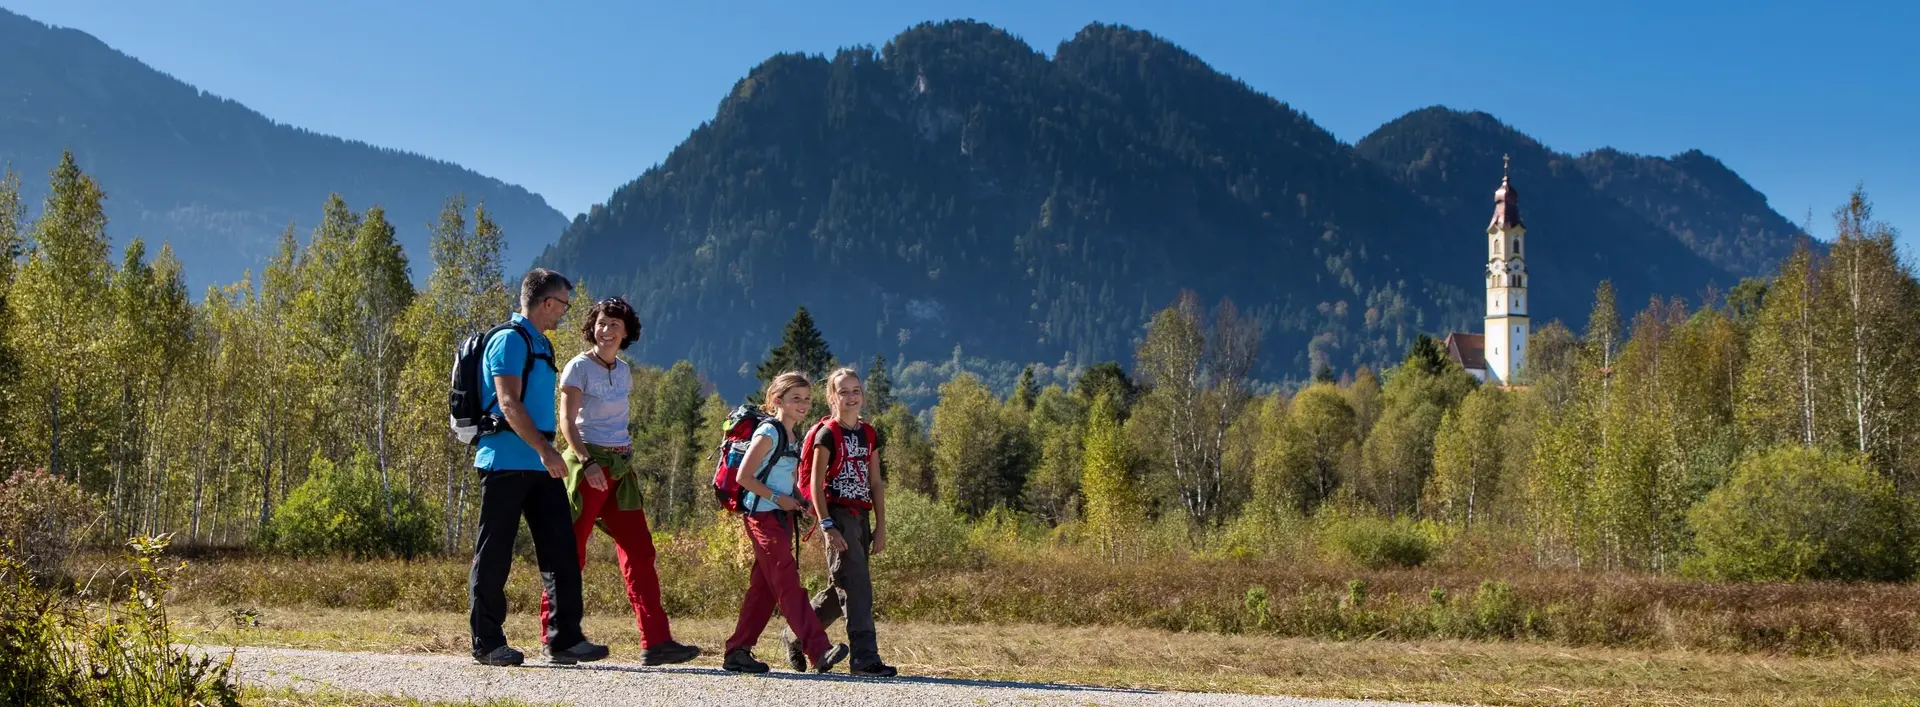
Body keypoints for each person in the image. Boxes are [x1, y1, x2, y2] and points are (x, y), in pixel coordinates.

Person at [537, 296, 701, 666]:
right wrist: (588, 461)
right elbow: (566, 421)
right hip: (587, 467)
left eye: (615, 324)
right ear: (592, 327)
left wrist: (620, 461)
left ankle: (656, 641)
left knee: (640, 551)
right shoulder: (579, 366)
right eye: (601, 323)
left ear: (627, 332)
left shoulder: (624, 370)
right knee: (569, 552)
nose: (606, 330)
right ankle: (556, 639)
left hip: (620, 470)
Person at [468, 268, 609, 667]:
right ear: (548, 302)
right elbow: (508, 403)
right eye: (564, 304)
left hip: (538, 462)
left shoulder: (540, 344)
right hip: (507, 462)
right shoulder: (509, 341)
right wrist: (547, 452)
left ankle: (564, 639)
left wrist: (546, 454)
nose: (565, 312)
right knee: (494, 553)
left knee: (561, 548)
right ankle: (487, 642)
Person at [721, 372, 850, 674]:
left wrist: (799, 500)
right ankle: (818, 649)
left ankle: (738, 651)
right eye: (796, 399)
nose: (803, 404)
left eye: (806, 399)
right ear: (777, 400)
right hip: (761, 518)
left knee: (764, 589)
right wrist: (781, 500)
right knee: (787, 582)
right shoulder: (769, 433)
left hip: (780, 517)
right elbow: (744, 478)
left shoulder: (792, 436)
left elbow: (783, 479)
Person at [785, 368, 898, 676]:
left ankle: (796, 635)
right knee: (858, 585)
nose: (851, 397)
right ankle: (864, 658)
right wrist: (827, 525)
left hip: (861, 516)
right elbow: (817, 482)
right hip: (836, 515)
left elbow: (875, 483)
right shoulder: (827, 434)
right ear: (832, 397)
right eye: (844, 391)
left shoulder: (869, 433)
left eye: (856, 390)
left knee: (843, 587)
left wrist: (881, 526)